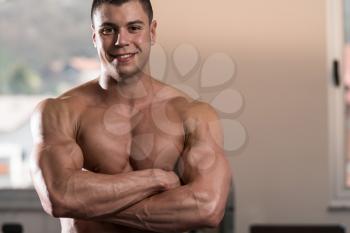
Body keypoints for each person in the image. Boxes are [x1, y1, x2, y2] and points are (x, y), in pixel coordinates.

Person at [30, 0, 232, 232]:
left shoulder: (193, 114)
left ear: (152, 32)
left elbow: (207, 207)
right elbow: (59, 196)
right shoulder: (59, 112)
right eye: (108, 30)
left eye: (134, 28)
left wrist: (90, 208)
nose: (121, 41)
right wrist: (157, 179)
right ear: (94, 37)